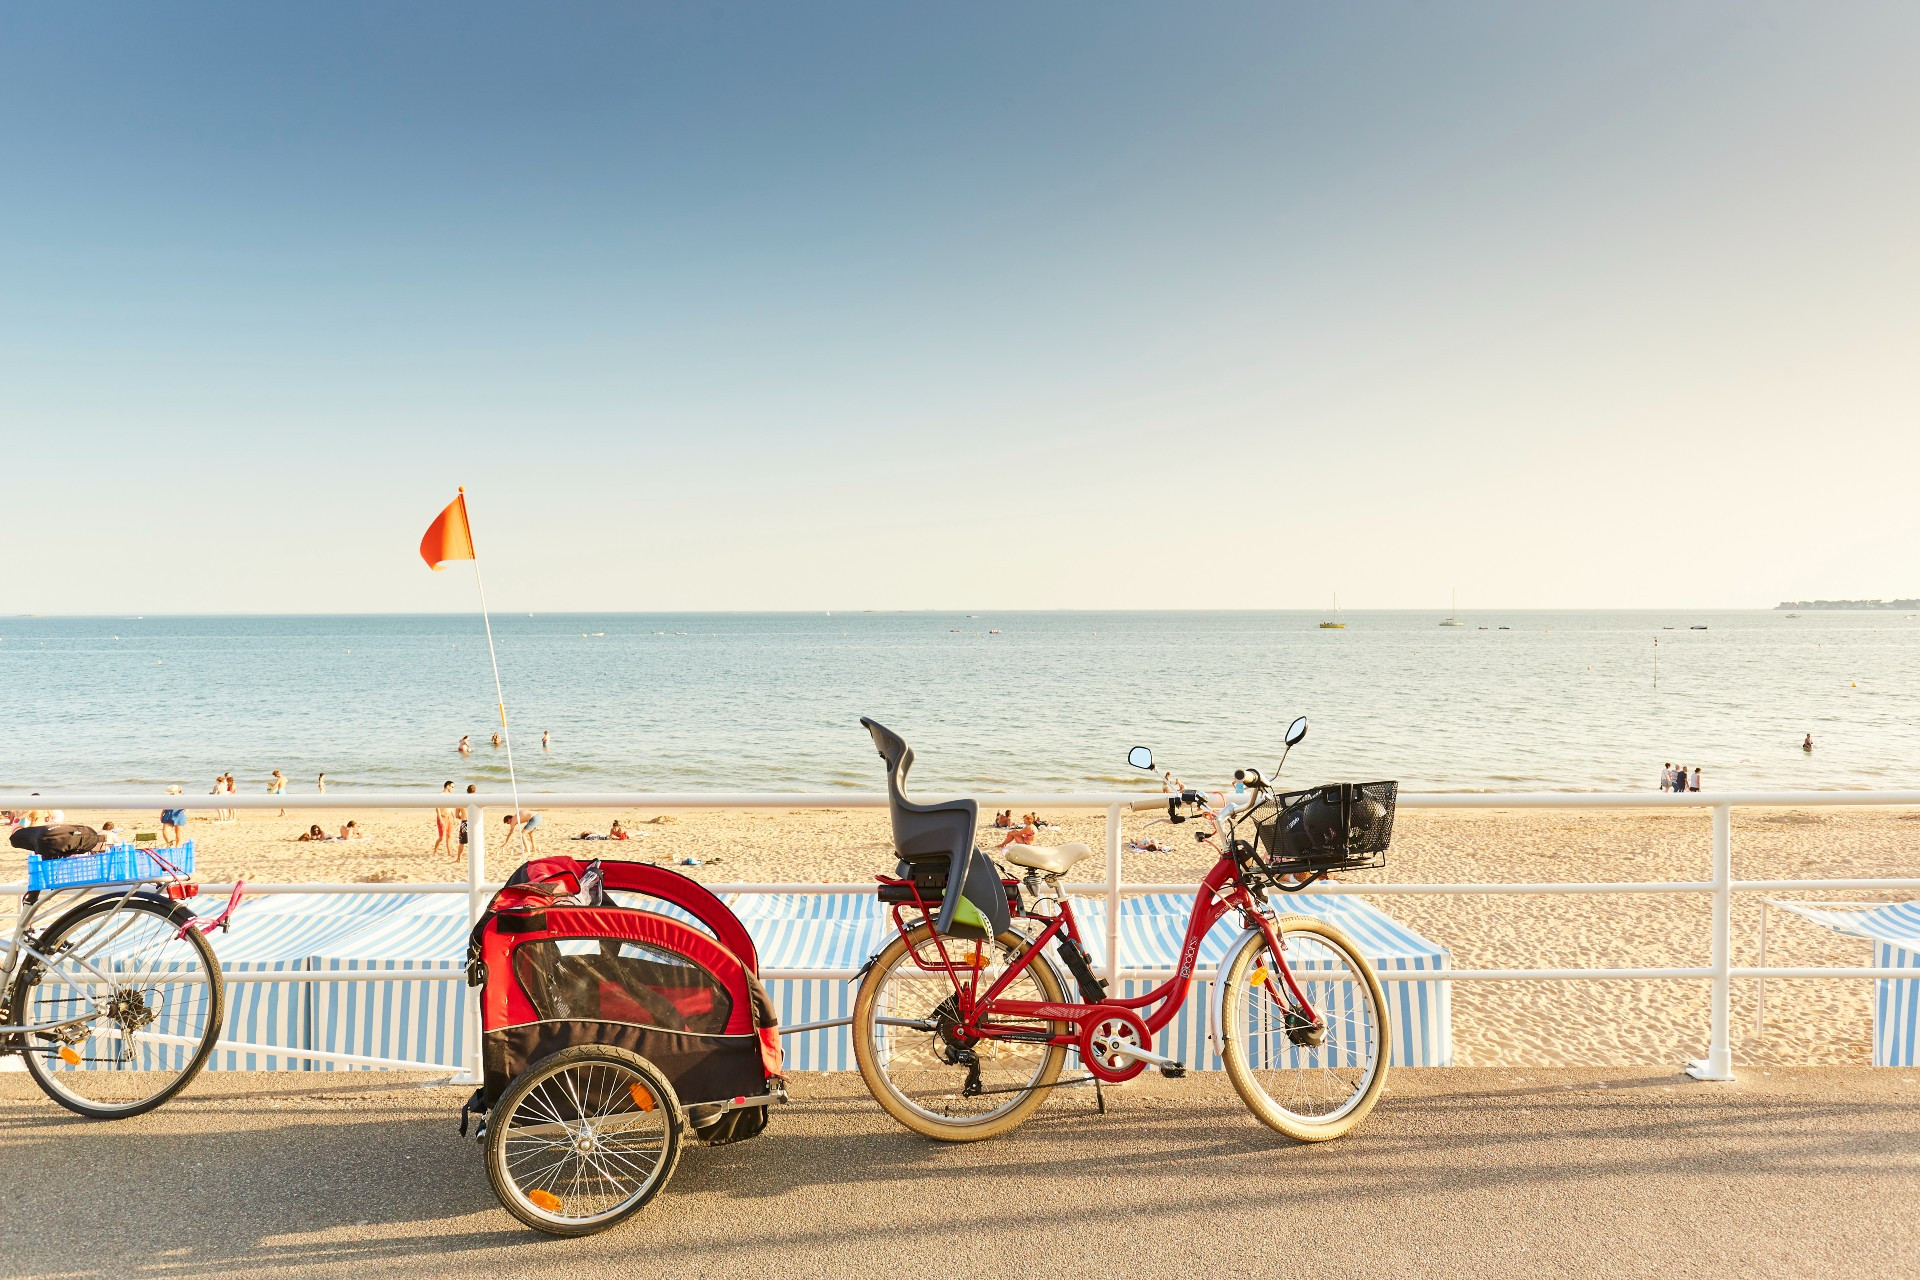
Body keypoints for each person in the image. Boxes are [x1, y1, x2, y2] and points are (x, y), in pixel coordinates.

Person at [433, 781, 455, 858]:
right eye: (452, 787)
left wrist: (454, 817)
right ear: (447, 786)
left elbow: (452, 807)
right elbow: (437, 808)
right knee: (441, 837)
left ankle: (449, 852)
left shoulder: (451, 796)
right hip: (442, 817)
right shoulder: (440, 795)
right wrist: (440, 819)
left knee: (449, 835)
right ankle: (435, 851)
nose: (453, 789)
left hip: (450, 817)